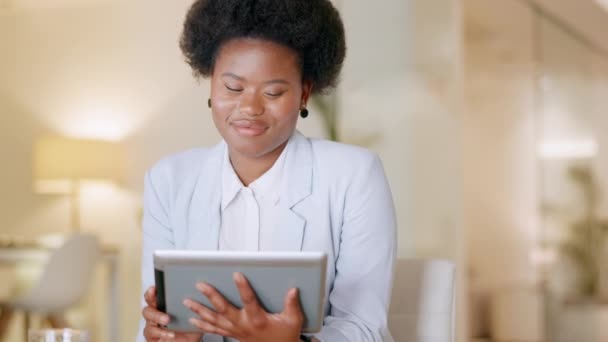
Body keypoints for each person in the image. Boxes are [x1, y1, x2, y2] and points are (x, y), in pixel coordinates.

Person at [137, 0, 397, 341]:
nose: (250, 108)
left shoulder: (354, 175)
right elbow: (152, 322)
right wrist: (164, 335)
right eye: (232, 87)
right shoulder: (169, 180)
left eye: (273, 91)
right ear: (211, 84)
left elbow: (366, 329)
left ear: (304, 92)